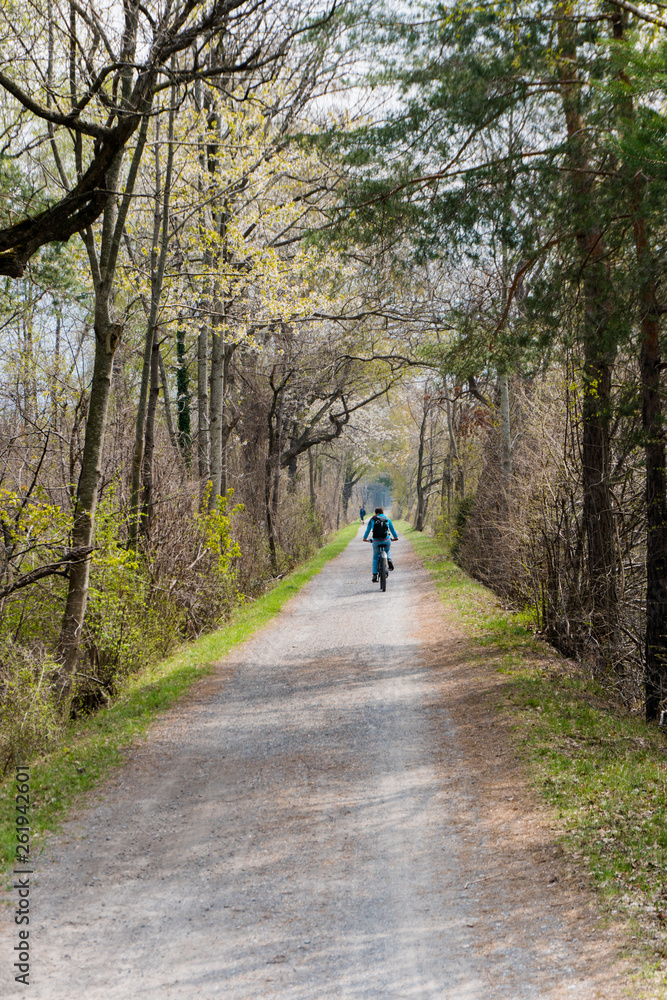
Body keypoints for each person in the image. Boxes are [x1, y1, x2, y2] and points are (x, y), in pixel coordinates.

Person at [363, 506, 398, 582]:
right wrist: (395, 537)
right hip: (386, 540)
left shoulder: (372, 520)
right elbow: (392, 530)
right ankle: (389, 559)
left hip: (376, 541)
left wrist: (365, 538)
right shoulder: (387, 519)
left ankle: (374, 575)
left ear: (376, 513)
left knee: (375, 557)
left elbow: (367, 531)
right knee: (387, 550)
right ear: (383, 512)